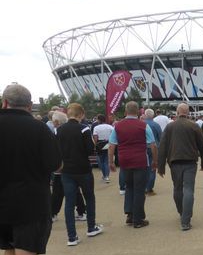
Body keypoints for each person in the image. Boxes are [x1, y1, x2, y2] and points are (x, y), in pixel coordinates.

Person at [1, 84, 61, 255]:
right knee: (26, 254)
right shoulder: (38, 129)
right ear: (28, 105)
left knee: (8, 250)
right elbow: (56, 165)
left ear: (4, 103)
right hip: (31, 199)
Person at [56, 103, 103, 246]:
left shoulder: (59, 130)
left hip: (67, 170)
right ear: (81, 114)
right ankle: (91, 227)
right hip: (83, 169)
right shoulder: (84, 129)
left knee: (69, 203)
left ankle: (72, 236)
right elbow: (90, 150)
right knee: (89, 197)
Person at [157, 103, 203, 231]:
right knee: (189, 189)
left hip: (174, 162)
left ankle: (181, 211)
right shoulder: (194, 126)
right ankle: (186, 220)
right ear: (188, 112)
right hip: (190, 162)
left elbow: (162, 147)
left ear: (177, 112)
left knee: (177, 188)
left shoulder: (169, 127)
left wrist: (160, 167)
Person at [108, 101, 157, 228]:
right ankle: (138, 219)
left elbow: (112, 145)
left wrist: (111, 161)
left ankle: (129, 214)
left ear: (125, 112)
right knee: (139, 190)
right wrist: (155, 161)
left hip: (124, 161)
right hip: (140, 160)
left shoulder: (117, 126)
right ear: (139, 112)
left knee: (129, 187)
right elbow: (152, 144)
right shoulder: (143, 125)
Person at [143, 109, 163, 195]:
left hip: (142, 148)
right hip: (154, 148)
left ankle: (143, 187)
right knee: (153, 168)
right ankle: (149, 188)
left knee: (143, 168)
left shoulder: (141, 124)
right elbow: (161, 137)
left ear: (145, 115)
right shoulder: (156, 125)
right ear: (153, 115)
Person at [92, 114, 114, 183]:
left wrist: (95, 146)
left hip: (100, 144)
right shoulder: (110, 127)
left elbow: (95, 138)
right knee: (106, 161)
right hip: (108, 143)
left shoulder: (96, 128)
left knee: (101, 161)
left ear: (99, 120)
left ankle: (105, 175)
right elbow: (113, 136)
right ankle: (106, 176)